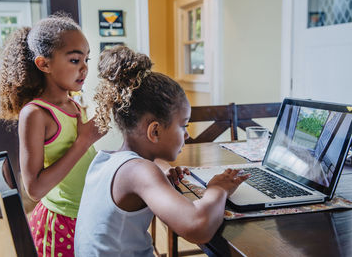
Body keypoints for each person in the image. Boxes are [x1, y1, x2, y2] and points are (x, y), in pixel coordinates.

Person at [74, 46, 249, 256]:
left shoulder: (106, 160)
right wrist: (218, 188)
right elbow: (198, 227)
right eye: (183, 125)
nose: (186, 134)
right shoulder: (139, 171)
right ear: (155, 130)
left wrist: (161, 180)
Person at [0, 14, 105, 257]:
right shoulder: (35, 114)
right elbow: (33, 189)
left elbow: (82, 158)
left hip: (85, 212)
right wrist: (84, 140)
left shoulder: (72, 103)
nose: (84, 67)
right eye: (75, 59)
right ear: (44, 64)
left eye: (87, 59)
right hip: (61, 225)